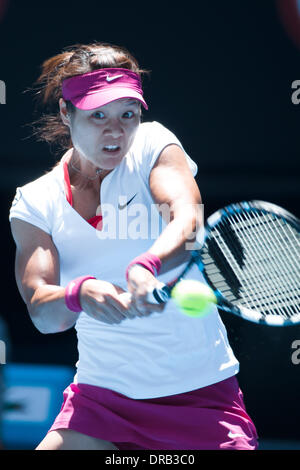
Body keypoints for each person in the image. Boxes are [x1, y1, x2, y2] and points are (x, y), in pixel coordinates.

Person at [9, 42, 258, 450]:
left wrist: (147, 265)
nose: (116, 131)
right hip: (99, 403)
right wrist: (79, 293)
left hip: (201, 398)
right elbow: (44, 314)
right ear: (65, 114)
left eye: (128, 115)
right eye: (98, 116)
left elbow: (189, 221)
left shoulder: (152, 145)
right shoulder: (36, 202)